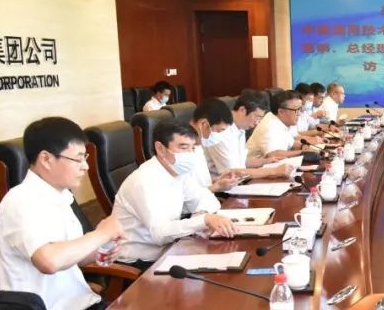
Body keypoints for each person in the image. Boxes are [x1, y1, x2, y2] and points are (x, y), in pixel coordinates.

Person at [0, 117, 125, 310]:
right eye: (78, 159)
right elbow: (49, 261)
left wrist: (100, 250)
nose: (85, 166)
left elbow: (73, 258)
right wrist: (101, 233)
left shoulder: (60, 197)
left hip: (81, 308)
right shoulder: (21, 201)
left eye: (85, 158)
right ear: (46, 159)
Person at [112, 121, 234, 269]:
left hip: (172, 249)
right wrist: (203, 220)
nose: (190, 155)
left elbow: (207, 199)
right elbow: (160, 234)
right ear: (160, 149)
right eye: (183, 148)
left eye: (193, 148)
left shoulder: (178, 172)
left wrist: (202, 215)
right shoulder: (143, 181)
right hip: (141, 262)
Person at [189, 99, 290, 192]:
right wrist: (273, 171)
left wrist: (217, 180)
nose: (257, 123)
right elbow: (189, 196)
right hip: (218, 194)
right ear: (204, 124)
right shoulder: (186, 147)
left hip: (216, 193)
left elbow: (202, 182)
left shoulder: (197, 145)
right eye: (219, 131)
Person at [204, 92, 275, 177]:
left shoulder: (240, 128)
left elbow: (241, 162)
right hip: (223, 182)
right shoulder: (221, 131)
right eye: (257, 117)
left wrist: (265, 161)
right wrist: (273, 171)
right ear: (242, 110)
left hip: (237, 180)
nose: (257, 123)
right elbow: (233, 173)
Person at [248, 90, 311, 159]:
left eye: (300, 109)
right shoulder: (269, 126)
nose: (299, 114)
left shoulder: (284, 122)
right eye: (296, 110)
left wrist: (303, 146)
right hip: (258, 165)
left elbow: (291, 143)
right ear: (281, 112)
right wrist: (302, 153)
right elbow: (273, 155)